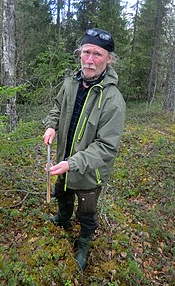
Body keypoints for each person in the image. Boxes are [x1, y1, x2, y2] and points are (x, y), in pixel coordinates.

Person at [42, 28, 126, 271]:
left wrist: (73, 163)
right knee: (62, 193)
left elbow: (106, 147)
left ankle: (84, 243)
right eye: (86, 52)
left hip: (89, 172)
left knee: (87, 212)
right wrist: (51, 126)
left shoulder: (113, 100)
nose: (89, 60)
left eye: (97, 54)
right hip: (63, 159)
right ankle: (62, 218)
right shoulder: (71, 82)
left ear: (109, 58)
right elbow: (58, 107)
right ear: (80, 53)